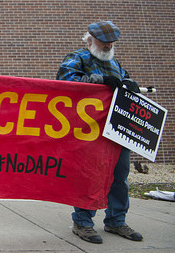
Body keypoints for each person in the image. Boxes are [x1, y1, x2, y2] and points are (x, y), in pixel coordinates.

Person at [56, 20, 142, 244]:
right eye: (104, 43)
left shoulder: (115, 63)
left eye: (111, 43)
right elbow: (65, 81)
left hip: (115, 129)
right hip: (89, 131)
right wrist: (100, 80)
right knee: (89, 176)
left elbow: (122, 81)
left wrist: (129, 83)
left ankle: (116, 220)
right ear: (90, 40)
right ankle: (82, 222)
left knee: (119, 176)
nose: (108, 47)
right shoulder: (78, 57)